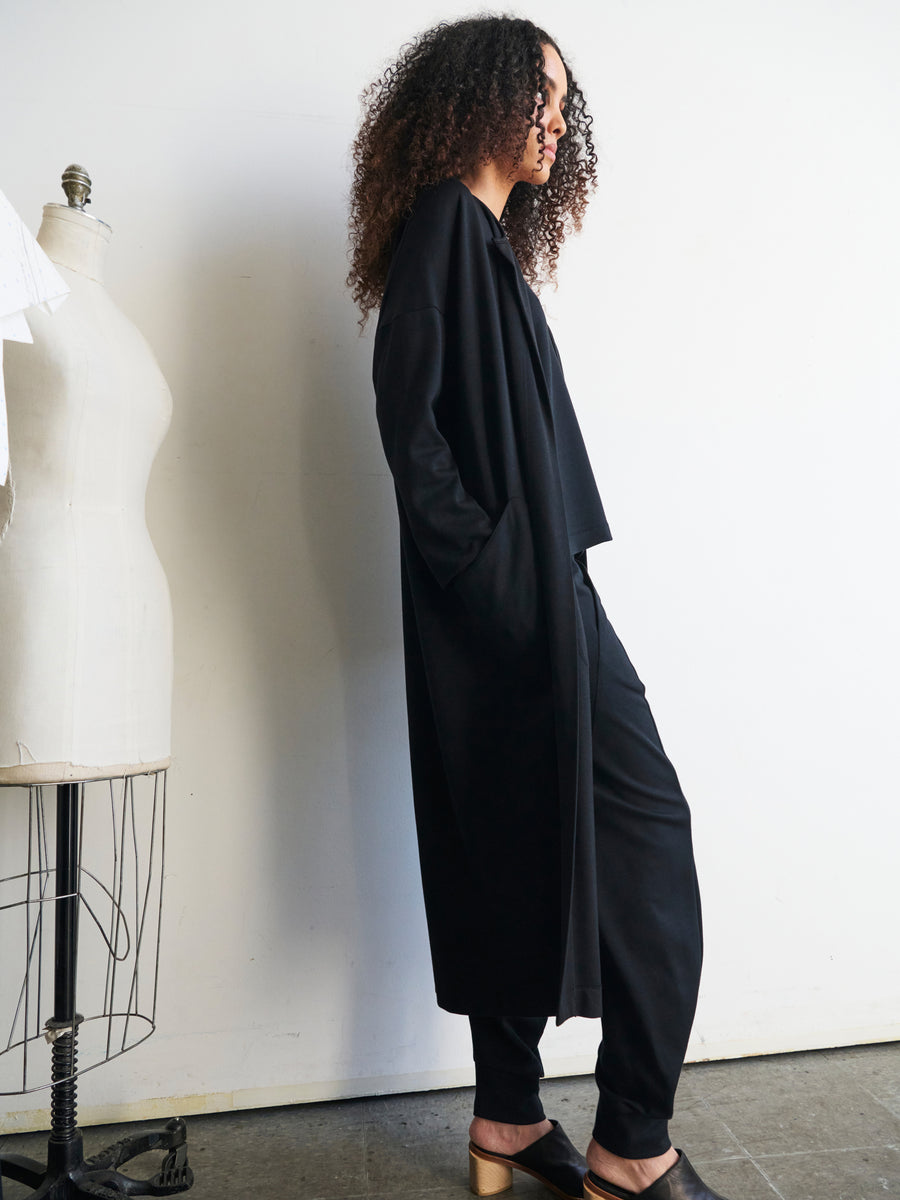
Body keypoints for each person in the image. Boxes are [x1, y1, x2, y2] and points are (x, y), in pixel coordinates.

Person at [348, 16, 729, 1200]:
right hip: (520, 603)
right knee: (644, 835)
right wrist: (505, 578)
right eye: (540, 94)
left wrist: (514, 578)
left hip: (528, 597)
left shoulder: (477, 242)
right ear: (477, 103)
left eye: (567, 99)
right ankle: (632, 1146)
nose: (559, 118)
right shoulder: (442, 237)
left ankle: (510, 1121)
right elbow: (412, 441)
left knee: (514, 838)